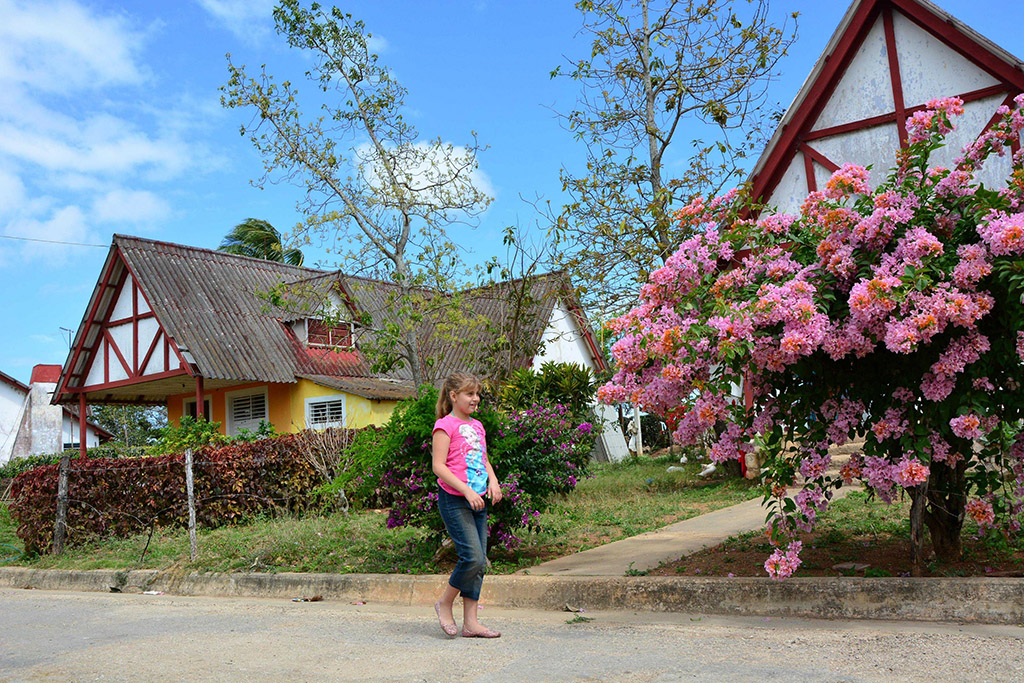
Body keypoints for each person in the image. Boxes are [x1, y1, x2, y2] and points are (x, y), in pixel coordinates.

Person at [431, 371, 503, 638]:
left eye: (477, 394)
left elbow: (483, 459)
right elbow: (438, 467)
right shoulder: (445, 426)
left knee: (480, 563)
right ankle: (445, 603)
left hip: (478, 499)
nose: (476, 398)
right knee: (471, 557)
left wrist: (493, 481)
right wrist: (466, 491)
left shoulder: (477, 426)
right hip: (455, 499)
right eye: (470, 394)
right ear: (453, 396)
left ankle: (471, 623)